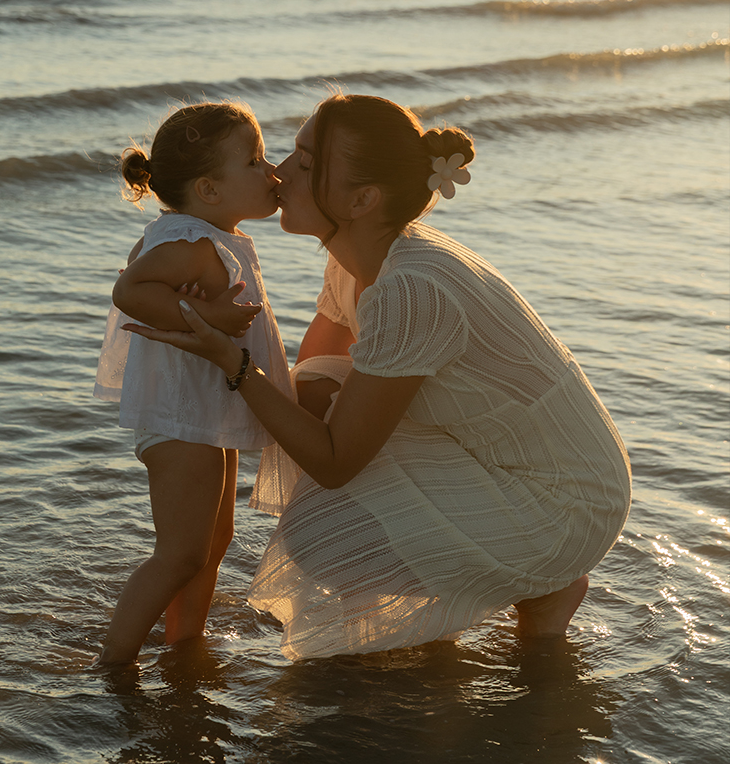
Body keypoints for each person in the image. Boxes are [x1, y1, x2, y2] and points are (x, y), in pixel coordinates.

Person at [123, 93, 632, 661]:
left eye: (307, 163)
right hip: (509, 461)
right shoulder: (357, 261)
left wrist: (233, 363)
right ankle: (521, 579)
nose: (279, 172)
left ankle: (540, 579)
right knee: (311, 393)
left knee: (321, 536)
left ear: (362, 199)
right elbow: (302, 390)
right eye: (289, 152)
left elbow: (335, 463)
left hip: (563, 504)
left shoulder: (411, 289)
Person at [92, 102, 292, 667]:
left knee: (215, 538)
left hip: (203, 414)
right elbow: (130, 291)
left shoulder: (211, 235)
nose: (272, 170)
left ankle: (185, 642)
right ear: (208, 188)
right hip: (180, 418)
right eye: (254, 160)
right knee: (179, 552)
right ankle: (113, 663)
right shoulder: (187, 238)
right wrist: (203, 318)